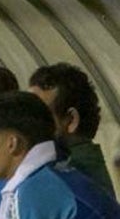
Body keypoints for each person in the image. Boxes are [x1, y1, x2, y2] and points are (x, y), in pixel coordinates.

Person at [28, 63, 115, 199]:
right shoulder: (88, 168)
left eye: (38, 115)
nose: (25, 124)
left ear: (71, 120)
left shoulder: (66, 178)